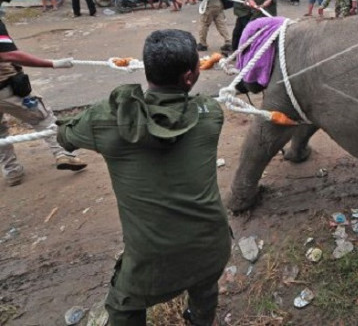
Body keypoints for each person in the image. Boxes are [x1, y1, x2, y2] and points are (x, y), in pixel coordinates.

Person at [56, 29, 231, 325]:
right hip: (212, 246)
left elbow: (65, 138)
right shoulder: (211, 114)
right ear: (189, 77)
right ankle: (200, 319)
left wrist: (91, 121)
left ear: (147, 69)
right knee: (205, 285)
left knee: (123, 307)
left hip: (152, 263)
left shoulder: (106, 118)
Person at [0, 6, 83, 186]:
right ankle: (63, 154)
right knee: (43, 118)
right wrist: (52, 64)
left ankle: (12, 172)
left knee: (0, 133)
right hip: (5, 88)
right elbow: (9, 54)